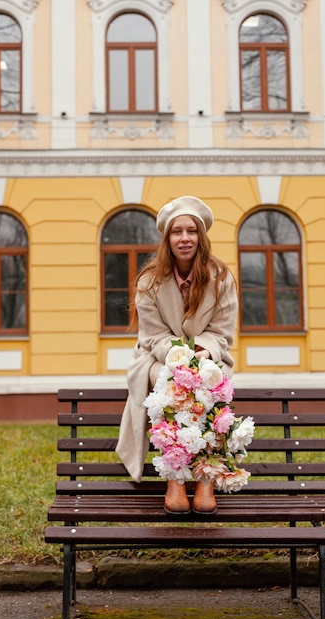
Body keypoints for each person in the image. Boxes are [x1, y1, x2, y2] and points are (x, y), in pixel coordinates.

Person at [115, 196, 238, 514]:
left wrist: (199, 357)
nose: (185, 238)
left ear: (201, 237)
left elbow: (222, 334)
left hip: (208, 357)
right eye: (177, 232)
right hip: (157, 360)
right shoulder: (149, 281)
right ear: (167, 239)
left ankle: (206, 478)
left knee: (210, 383)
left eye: (191, 231)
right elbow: (153, 336)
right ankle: (176, 478)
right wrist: (180, 359)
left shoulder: (221, 278)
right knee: (173, 384)